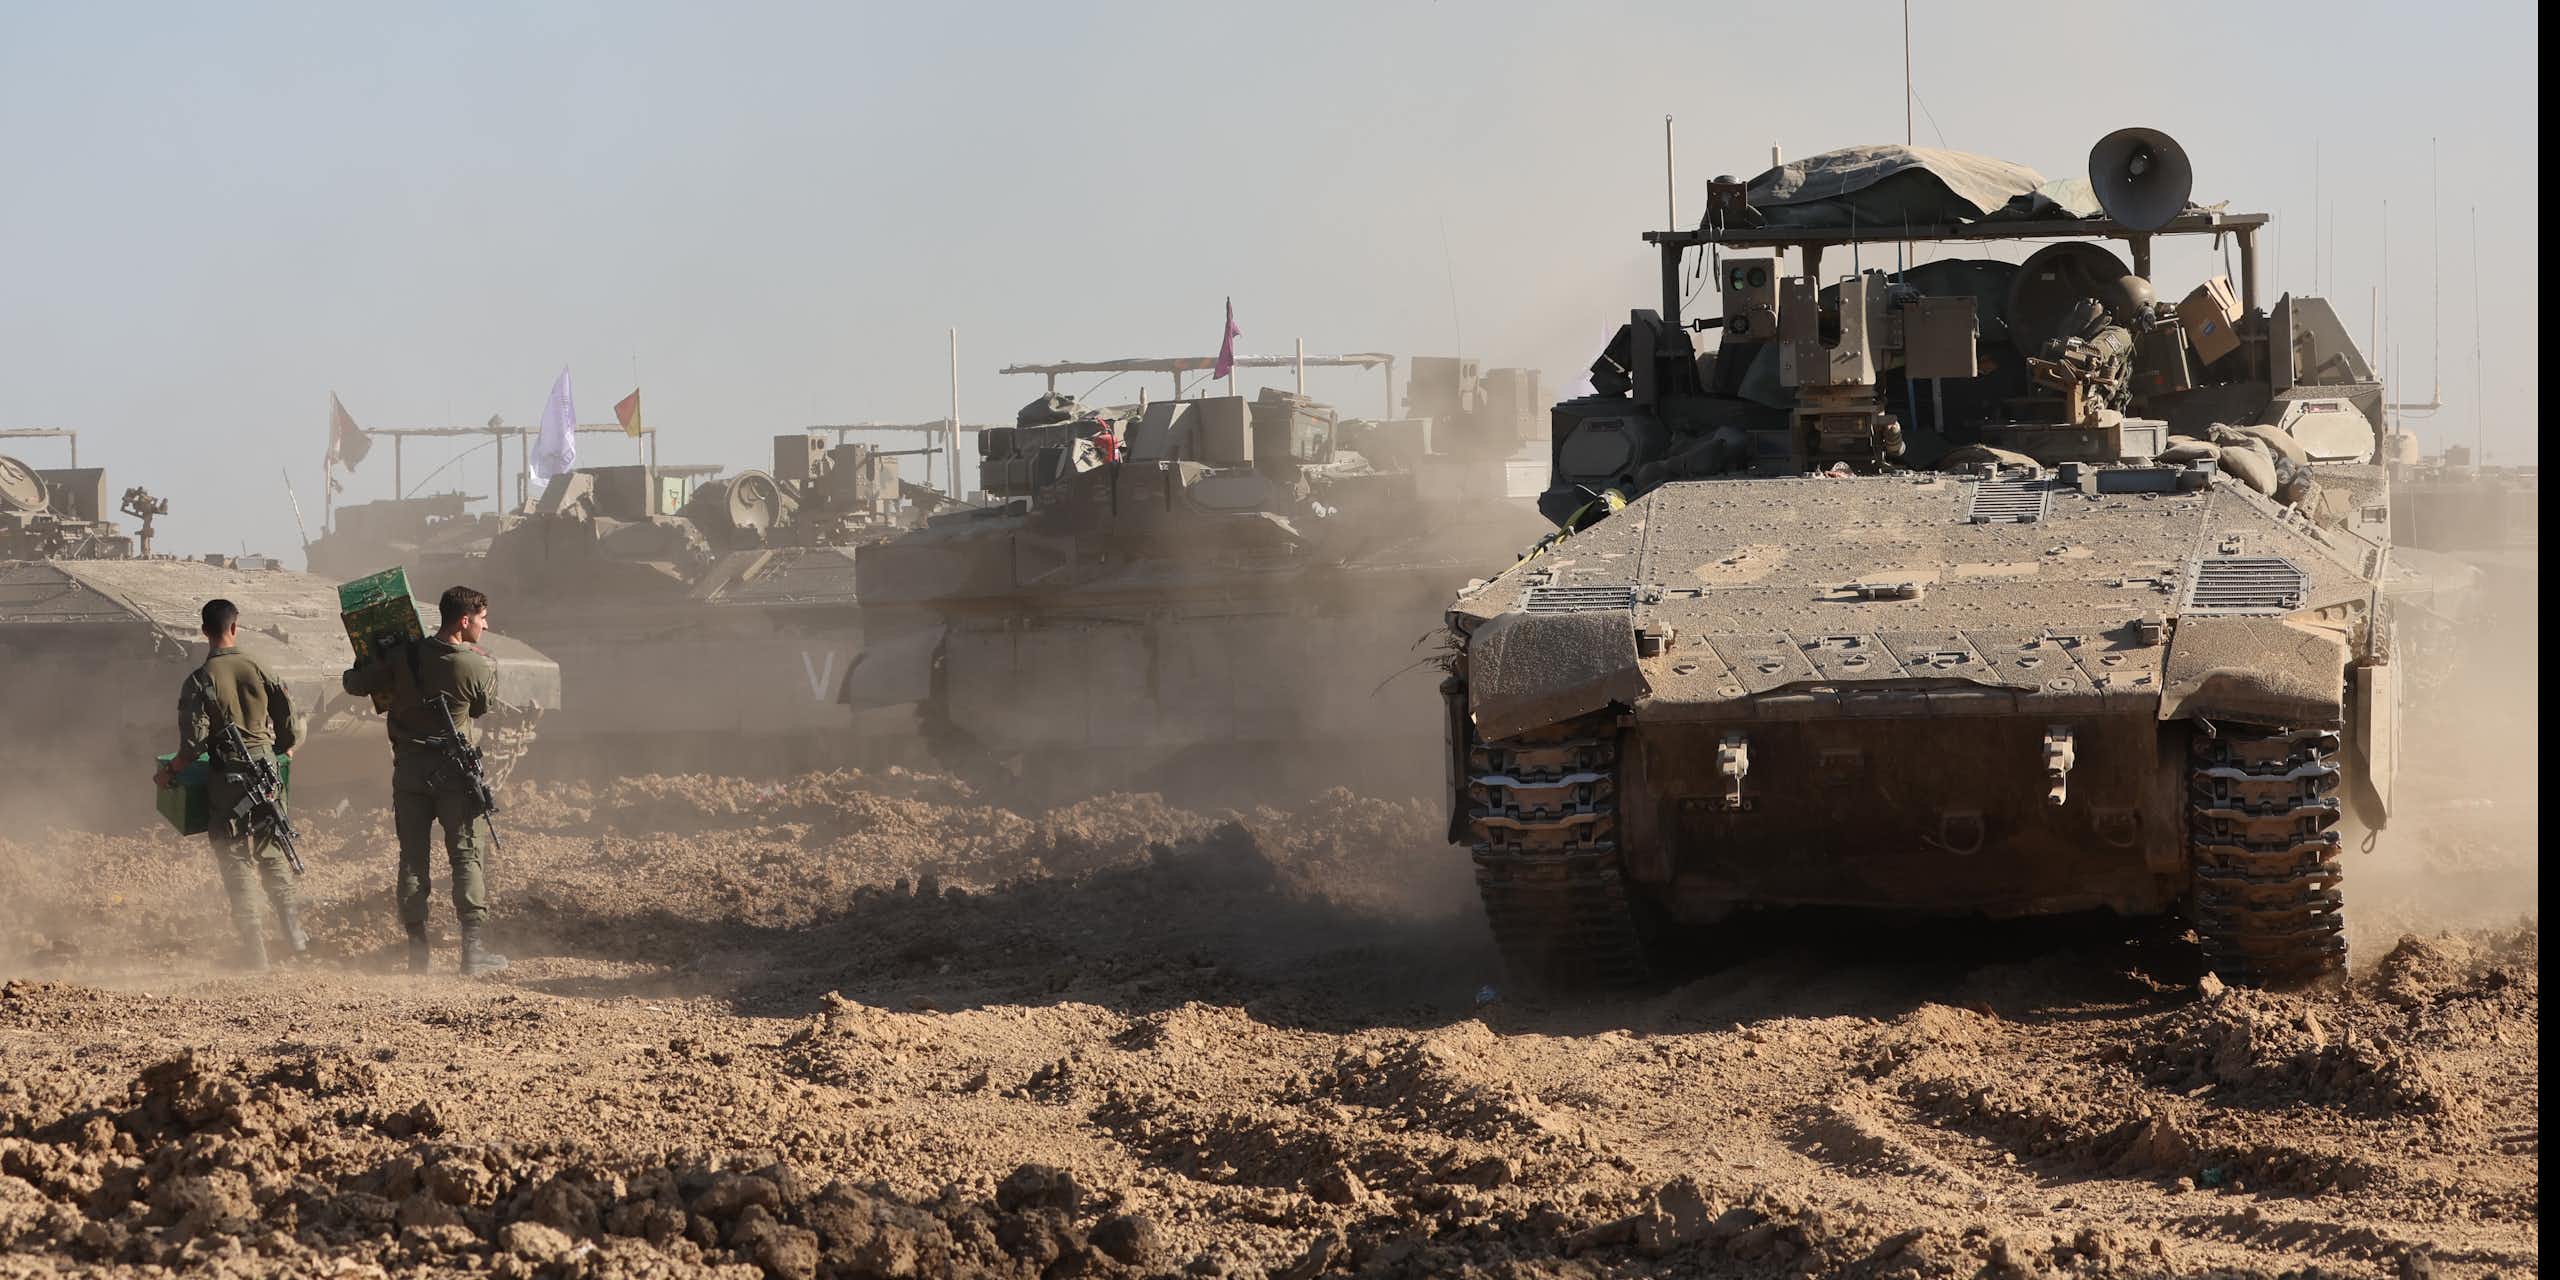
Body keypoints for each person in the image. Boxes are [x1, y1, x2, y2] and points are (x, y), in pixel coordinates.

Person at [342, 585, 508, 976]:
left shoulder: (405, 655)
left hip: (410, 772)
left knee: (413, 860)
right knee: (466, 855)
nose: (486, 626)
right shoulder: (475, 666)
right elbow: (481, 709)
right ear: (464, 621)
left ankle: (418, 955)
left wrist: (370, 655)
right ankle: (472, 954)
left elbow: (353, 683)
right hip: (455, 776)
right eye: (482, 619)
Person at [154, 598, 304, 970]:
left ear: (205, 630)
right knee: (273, 851)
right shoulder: (260, 666)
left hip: (229, 778)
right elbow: (289, 724)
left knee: (235, 859)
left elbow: (193, 746)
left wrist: (169, 772)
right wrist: (282, 750)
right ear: (235, 627)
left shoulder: (199, 680)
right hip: (267, 770)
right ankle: (296, 938)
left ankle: (256, 954)